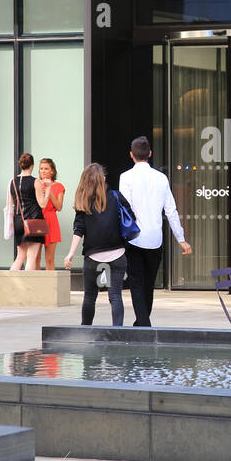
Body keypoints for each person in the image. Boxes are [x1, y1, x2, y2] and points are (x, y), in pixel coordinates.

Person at [118, 137, 191, 327]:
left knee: (136, 283)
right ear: (150, 154)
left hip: (134, 238)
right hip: (155, 239)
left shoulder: (125, 177)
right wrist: (181, 239)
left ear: (131, 155)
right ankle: (142, 322)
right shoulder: (161, 178)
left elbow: (125, 210)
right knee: (148, 283)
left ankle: (143, 324)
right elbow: (171, 211)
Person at [64, 163, 136, 327]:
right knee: (115, 296)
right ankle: (117, 332)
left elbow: (78, 230)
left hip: (93, 257)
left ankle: (86, 329)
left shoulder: (83, 202)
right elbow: (131, 217)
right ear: (102, 179)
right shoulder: (116, 197)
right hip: (117, 255)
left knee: (90, 296)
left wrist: (70, 254)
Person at [8, 153, 44, 271]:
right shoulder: (35, 182)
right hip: (34, 221)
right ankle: (28, 288)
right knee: (31, 257)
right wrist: (47, 192)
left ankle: (10, 283)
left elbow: (11, 204)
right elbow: (42, 203)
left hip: (19, 221)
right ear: (32, 166)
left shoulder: (12, 182)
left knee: (20, 257)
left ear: (20, 165)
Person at [36, 158, 65, 272]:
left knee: (49, 259)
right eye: (41, 168)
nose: (43, 171)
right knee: (35, 258)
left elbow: (59, 207)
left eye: (46, 168)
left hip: (51, 221)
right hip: (38, 220)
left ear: (52, 171)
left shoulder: (59, 186)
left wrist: (49, 190)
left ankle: (51, 288)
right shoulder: (36, 184)